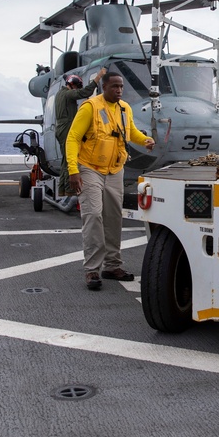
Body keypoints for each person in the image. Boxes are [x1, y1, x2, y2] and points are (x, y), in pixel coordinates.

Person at [66, 71, 154, 290]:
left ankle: (112, 265)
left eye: (121, 87)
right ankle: (92, 270)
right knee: (94, 215)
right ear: (103, 87)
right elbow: (73, 138)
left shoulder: (125, 108)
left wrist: (145, 140)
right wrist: (73, 170)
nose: (119, 90)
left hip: (115, 169)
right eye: (114, 86)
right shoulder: (90, 107)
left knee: (114, 217)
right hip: (90, 168)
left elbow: (130, 132)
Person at [55, 68, 105, 197]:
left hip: (60, 128)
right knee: (70, 160)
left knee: (65, 160)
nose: (76, 89)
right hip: (66, 128)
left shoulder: (59, 94)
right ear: (71, 84)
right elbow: (84, 92)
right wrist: (98, 77)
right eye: (76, 86)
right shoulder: (67, 94)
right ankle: (70, 192)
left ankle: (62, 191)